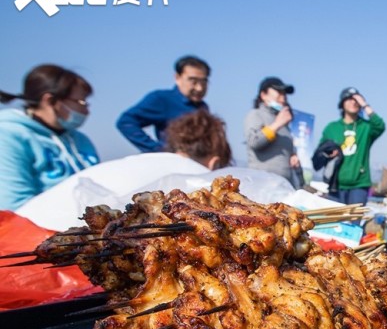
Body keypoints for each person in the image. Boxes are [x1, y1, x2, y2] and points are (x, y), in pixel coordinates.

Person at [16, 109, 232, 231]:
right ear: (213, 164)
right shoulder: (195, 179)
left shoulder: (141, 161)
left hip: (14, 227)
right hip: (46, 240)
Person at [0, 64, 100, 211]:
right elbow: (14, 206)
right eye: (81, 102)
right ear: (50, 101)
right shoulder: (9, 136)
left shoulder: (81, 140)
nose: (86, 110)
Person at [116, 55, 211, 152]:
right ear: (177, 78)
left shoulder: (203, 107)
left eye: (203, 82)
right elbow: (125, 122)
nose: (199, 88)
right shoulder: (162, 99)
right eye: (193, 81)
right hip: (175, 164)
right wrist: (158, 150)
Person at [317, 87, 385, 204]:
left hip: (359, 185)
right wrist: (328, 153)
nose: (353, 102)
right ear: (342, 104)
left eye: (356, 100)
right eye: (349, 99)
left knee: (354, 222)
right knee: (336, 222)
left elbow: (380, 126)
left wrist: (365, 104)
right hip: (336, 185)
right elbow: (319, 152)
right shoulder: (332, 128)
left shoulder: (365, 127)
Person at [243, 77, 301, 185]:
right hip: (261, 184)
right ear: (263, 95)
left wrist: (293, 156)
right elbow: (254, 142)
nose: (283, 96)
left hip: (283, 184)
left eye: (284, 93)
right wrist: (277, 124)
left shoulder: (284, 123)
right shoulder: (256, 114)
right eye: (279, 91)